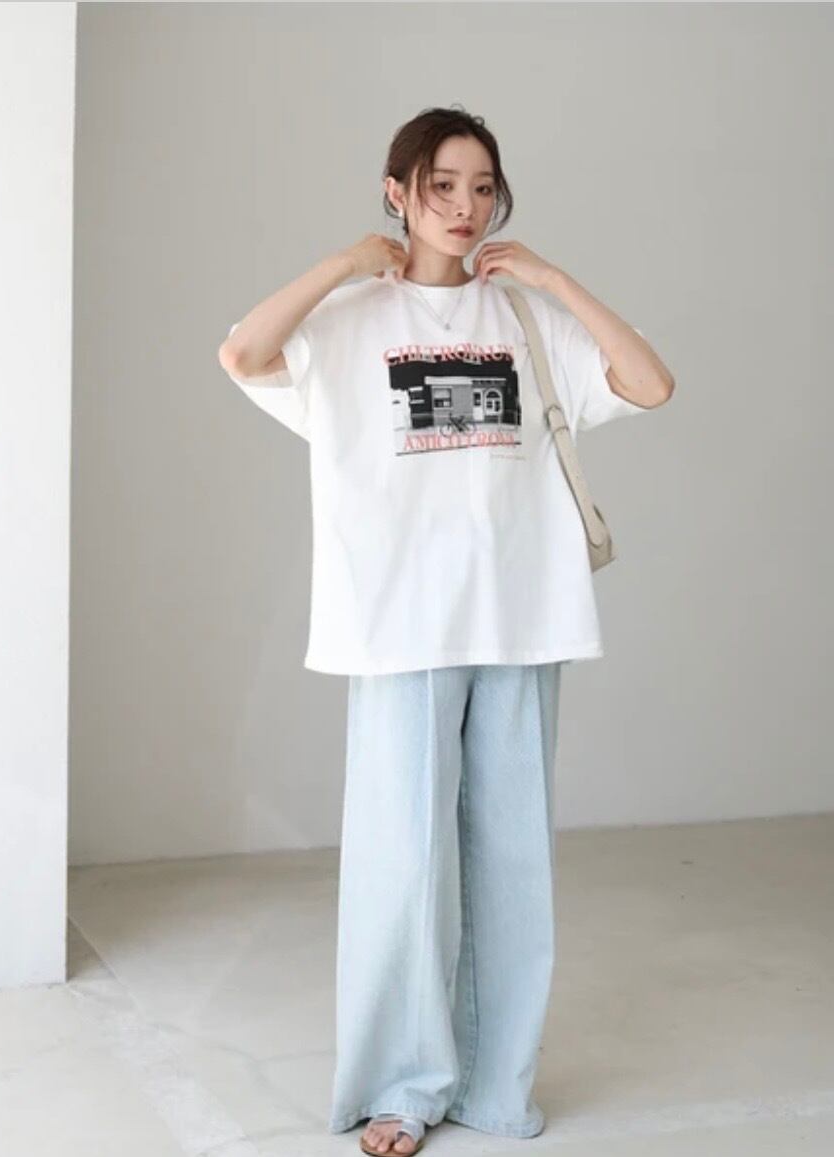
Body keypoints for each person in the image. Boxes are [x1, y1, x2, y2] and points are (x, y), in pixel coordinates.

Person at [219, 105, 674, 1156]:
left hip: (521, 618)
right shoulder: (349, 321)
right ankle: (401, 1085)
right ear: (398, 192)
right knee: (402, 870)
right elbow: (243, 351)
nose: (464, 206)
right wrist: (345, 262)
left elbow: (650, 383)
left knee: (512, 871)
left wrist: (551, 280)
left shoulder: (524, 317)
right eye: (440, 185)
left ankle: (495, 1085)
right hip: (399, 626)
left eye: (481, 187)